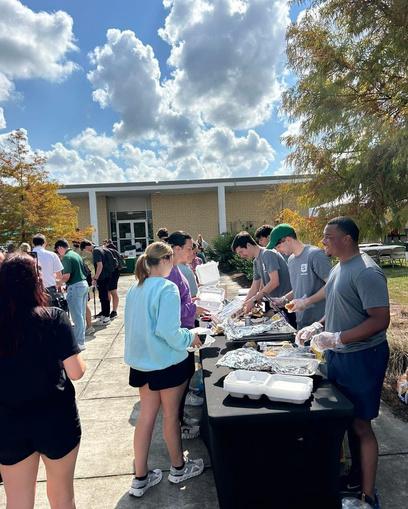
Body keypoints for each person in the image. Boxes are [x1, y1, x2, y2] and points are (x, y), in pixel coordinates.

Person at [296, 217, 390, 509]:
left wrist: (339, 338)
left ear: (347, 238)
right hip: (339, 355)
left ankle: (368, 496)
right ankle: (354, 476)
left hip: (362, 357)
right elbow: (339, 305)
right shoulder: (339, 268)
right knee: (345, 418)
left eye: (328, 236)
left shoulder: (367, 272)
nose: (323, 241)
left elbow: (380, 319)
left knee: (361, 424)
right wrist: (318, 326)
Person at [0, 254, 86, 509]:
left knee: (17, 500)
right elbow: (76, 372)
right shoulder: (53, 317)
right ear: (35, 282)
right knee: (62, 497)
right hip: (55, 418)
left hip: (8, 422)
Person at [124, 242, 204, 498]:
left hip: (142, 363)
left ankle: (140, 477)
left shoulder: (135, 288)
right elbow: (169, 332)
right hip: (166, 362)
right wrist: (190, 336)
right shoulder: (167, 288)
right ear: (167, 259)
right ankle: (178, 468)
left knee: (146, 417)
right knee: (170, 416)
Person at [166, 231, 208, 438]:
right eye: (189, 248)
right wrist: (193, 308)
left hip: (185, 332)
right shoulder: (168, 273)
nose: (193, 252)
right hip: (179, 336)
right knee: (179, 384)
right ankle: (179, 424)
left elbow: (183, 300)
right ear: (176, 249)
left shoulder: (177, 269)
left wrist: (192, 303)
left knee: (186, 377)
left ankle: (180, 419)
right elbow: (171, 310)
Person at [266, 223, 332, 330]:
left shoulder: (315, 255)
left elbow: (332, 285)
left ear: (288, 240)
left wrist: (306, 302)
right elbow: (299, 287)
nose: (277, 251)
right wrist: (283, 299)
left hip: (320, 324)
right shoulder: (291, 260)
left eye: (278, 246)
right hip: (301, 324)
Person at [231, 231, 293, 325]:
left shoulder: (267, 254)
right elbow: (255, 286)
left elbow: (274, 282)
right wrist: (243, 306)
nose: (241, 256)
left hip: (286, 304)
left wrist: (254, 299)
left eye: (241, 252)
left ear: (248, 245)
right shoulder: (256, 261)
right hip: (274, 304)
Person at [55, 239, 89, 350]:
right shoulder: (76, 255)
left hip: (75, 286)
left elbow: (66, 276)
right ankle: (81, 340)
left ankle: (79, 342)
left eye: (57, 250)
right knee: (81, 315)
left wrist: (56, 283)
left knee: (77, 316)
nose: (58, 253)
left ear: (60, 248)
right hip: (83, 284)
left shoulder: (67, 257)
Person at [82, 242, 117, 324]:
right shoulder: (101, 248)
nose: (86, 251)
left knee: (104, 297)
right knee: (103, 296)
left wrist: (95, 278)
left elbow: (100, 265)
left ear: (87, 246)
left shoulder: (96, 251)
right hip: (108, 275)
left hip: (103, 277)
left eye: (85, 249)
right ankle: (104, 315)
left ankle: (106, 317)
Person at [32, 233, 64, 306]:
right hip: (50, 289)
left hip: (33, 290)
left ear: (33, 244)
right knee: (50, 311)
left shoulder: (27, 256)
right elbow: (59, 275)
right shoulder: (52, 255)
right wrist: (59, 285)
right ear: (44, 243)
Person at [79, 240, 96, 336]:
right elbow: (92, 270)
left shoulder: (83, 255)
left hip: (83, 282)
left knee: (84, 305)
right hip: (86, 282)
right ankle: (88, 326)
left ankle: (89, 326)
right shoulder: (87, 255)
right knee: (84, 305)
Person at [105, 241, 122, 319]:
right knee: (111, 291)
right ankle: (112, 310)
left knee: (111, 291)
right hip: (115, 272)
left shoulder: (108, 250)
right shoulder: (115, 251)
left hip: (112, 273)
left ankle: (112, 311)